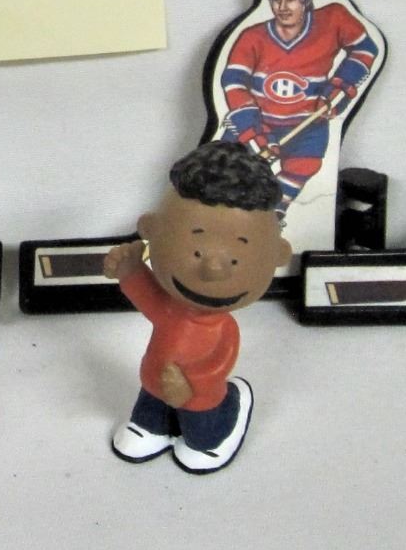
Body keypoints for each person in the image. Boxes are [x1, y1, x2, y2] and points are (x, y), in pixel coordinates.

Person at [103, 141, 293, 474]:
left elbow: (219, 362)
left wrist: (190, 385)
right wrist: (130, 269)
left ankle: (226, 418)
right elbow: (147, 296)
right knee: (148, 414)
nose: (212, 270)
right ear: (151, 229)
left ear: (277, 254)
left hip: (199, 397)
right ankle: (152, 428)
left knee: (201, 437)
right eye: (197, 252)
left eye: (234, 258)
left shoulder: (223, 328)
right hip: (153, 382)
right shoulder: (169, 309)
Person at [217, 0, 379, 213]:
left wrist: (342, 85)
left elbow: (366, 48)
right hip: (260, 121)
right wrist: (253, 131)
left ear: (307, 0)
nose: (283, 7)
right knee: (222, 170)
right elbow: (233, 81)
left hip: (307, 123)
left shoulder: (333, 19)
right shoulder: (252, 37)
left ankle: (272, 213)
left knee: (304, 165)